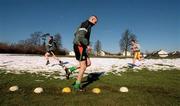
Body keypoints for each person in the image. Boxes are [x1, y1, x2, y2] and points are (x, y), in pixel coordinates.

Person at [67, 15, 98, 91]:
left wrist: (85, 44)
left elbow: (75, 33)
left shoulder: (85, 24)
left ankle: (70, 70)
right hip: (79, 46)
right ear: (92, 19)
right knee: (83, 67)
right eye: (95, 21)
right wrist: (87, 45)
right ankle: (77, 86)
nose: (95, 24)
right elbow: (80, 36)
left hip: (81, 46)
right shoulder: (86, 24)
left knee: (88, 63)